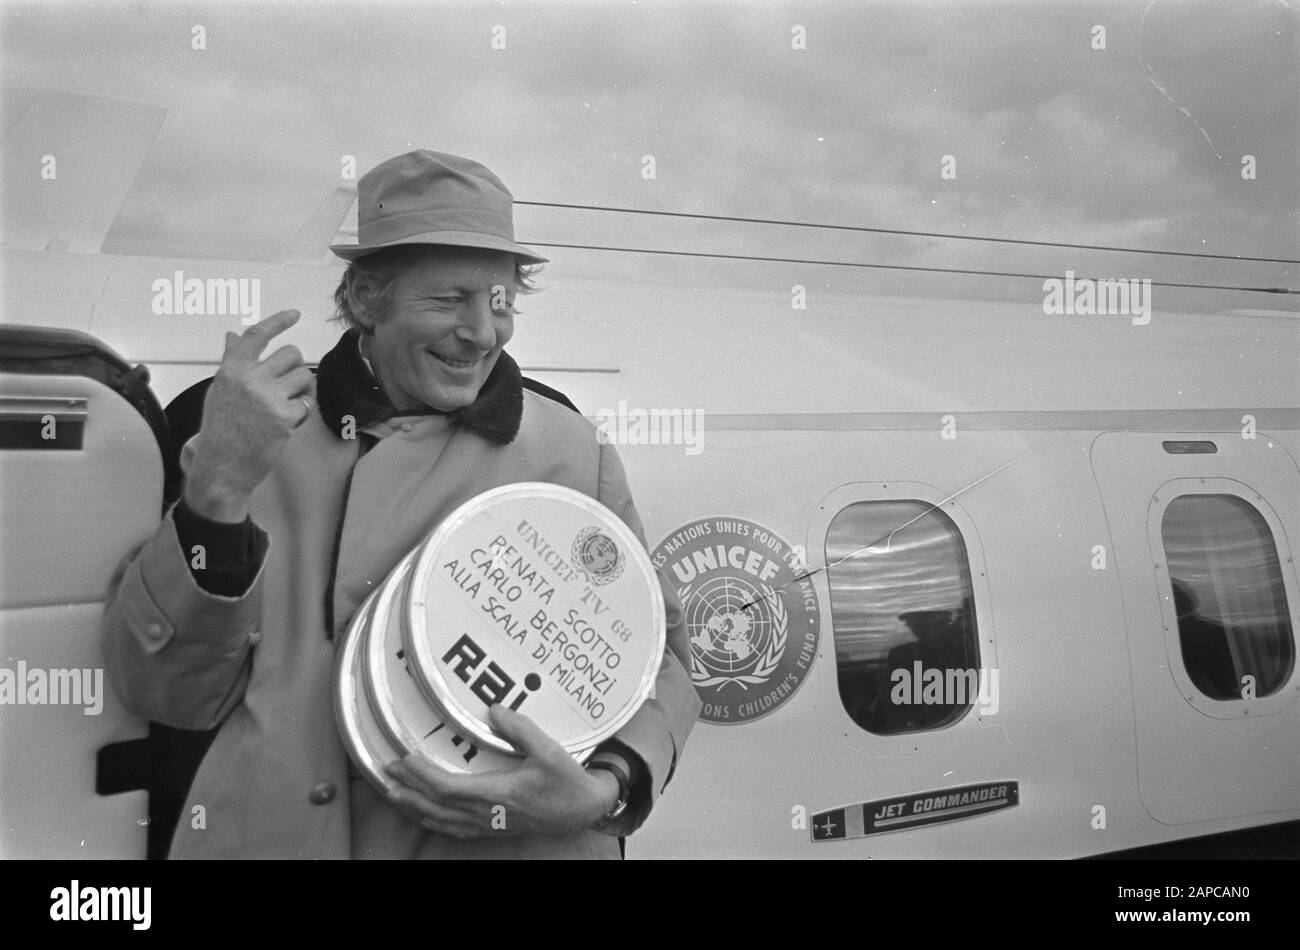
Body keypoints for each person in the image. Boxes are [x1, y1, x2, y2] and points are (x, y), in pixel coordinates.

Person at [102, 150, 701, 858]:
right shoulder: (249, 431)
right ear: (365, 299)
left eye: (500, 301)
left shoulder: (570, 450)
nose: (482, 331)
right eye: (449, 300)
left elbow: (660, 665)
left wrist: (604, 790)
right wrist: (218, 489)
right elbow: (166, 692)